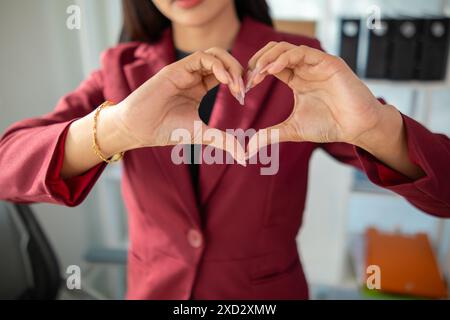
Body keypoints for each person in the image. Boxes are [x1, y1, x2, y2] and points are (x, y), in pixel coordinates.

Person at [0, 0, 449, 299]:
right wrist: (114, 129)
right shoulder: (118, 71)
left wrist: (377, 128)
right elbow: (8, 166)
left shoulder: (304, 64)